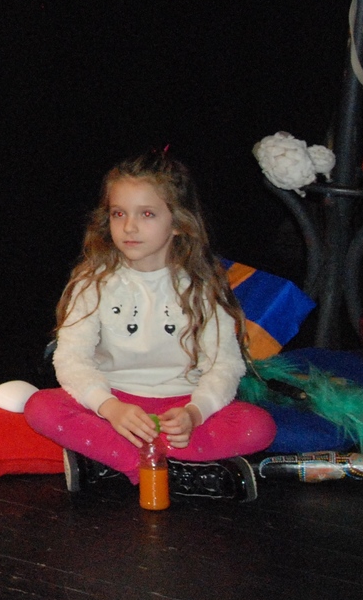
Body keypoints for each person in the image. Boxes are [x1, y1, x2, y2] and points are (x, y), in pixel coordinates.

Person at [24, 151, 277, 501]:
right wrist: (109, 407)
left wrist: (194, 413)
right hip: (116, 403)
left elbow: (225, 365)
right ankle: (156, 470)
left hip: (179, 409)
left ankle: (113, 459)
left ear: (178, 222)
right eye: (118, 213)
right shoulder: (92, 282)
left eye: (146, 214)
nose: (129, 227)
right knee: (40, 407)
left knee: (259, 427)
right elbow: (71, 359)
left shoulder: (203, 288)